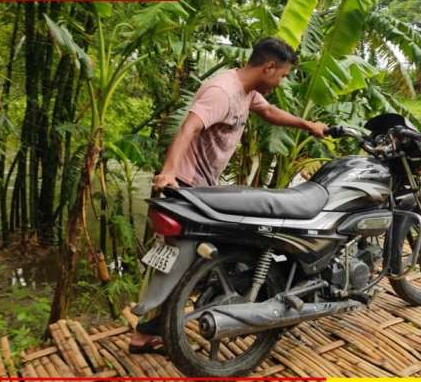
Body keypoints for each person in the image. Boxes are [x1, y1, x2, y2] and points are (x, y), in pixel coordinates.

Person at [128, 37, 328, 354]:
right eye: (283, 75)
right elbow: (189, 128)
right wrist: (168, 172)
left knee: (195, 261)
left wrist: (308, 125)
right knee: (187, 262)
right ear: (269, 67)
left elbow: (271, 112)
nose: (281, 81)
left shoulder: (247, 91)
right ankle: (148, 333)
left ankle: (156, 331)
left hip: (204, 188)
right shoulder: (222, 91)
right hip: (184, 186)